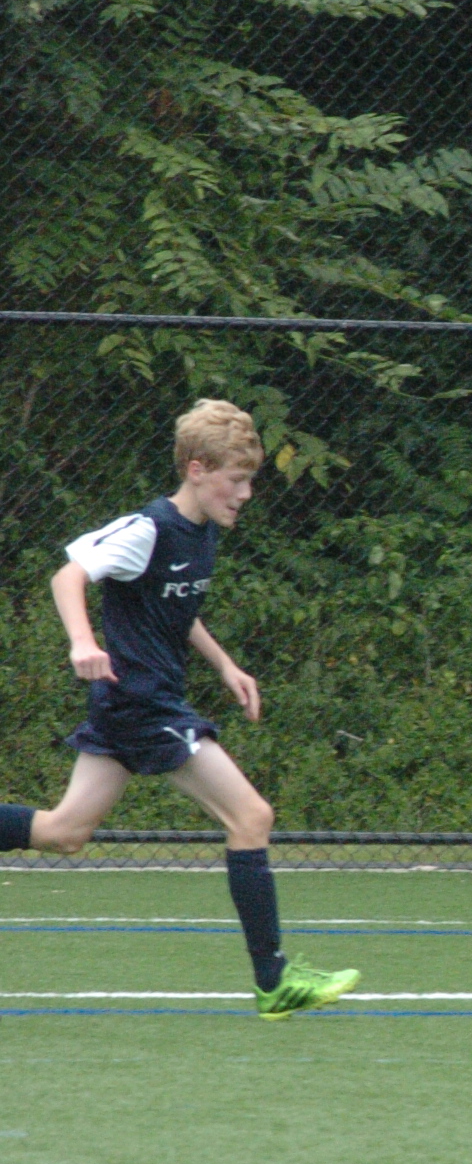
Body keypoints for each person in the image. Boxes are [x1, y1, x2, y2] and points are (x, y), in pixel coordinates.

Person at [0, 399, 358, 1020]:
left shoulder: (202, 534)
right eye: (236, 480)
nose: (246, 494)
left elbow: (175, 610)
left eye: (249, 481)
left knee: (64, 833)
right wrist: (83, 642)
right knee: (251, 816)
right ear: (197, 470)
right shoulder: (150, 528)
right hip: (142, 702)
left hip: (134, 702)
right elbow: (68, 577)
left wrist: (225, 665)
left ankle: (274, 980)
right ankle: (274, 980)